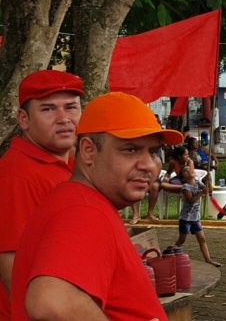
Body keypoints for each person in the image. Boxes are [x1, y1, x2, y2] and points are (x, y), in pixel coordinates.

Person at [11, 92, 183, 320]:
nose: (148, 165)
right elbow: (52, 302)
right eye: (130, 150)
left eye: (152, 151)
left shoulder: (81, 201)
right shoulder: (84, 210)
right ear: (89, 151)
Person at [0, 70, 84, 319]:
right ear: (24, 120)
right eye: (48, 109)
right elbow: (12, 266)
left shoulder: (72, 163)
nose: (63, 118)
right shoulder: (17, 176)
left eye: (71, 107)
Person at [130, 145, 194, 224]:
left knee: (155, 186)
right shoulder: (173, 162)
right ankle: (136, 215)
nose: (188, 156)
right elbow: (168, 173)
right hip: (178, 182)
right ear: (179, 156)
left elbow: (191, 176)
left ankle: (150, 213)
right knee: (161, 185)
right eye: (186, 154)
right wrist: (166, 178)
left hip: (188, 182)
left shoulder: (189, 162)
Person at [174, 165, 221, 268]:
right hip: (186, 218)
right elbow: (191, 200)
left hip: (195, 218)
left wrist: (209, 180)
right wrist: (201, 193)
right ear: (183, 177)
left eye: (191, 169)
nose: (190, 170)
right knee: (182, 240)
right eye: (186, 171)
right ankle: (171, 252)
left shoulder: (198, 183)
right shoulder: (185, 187)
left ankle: (208, 259)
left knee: (202, 239)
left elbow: (209, 191)